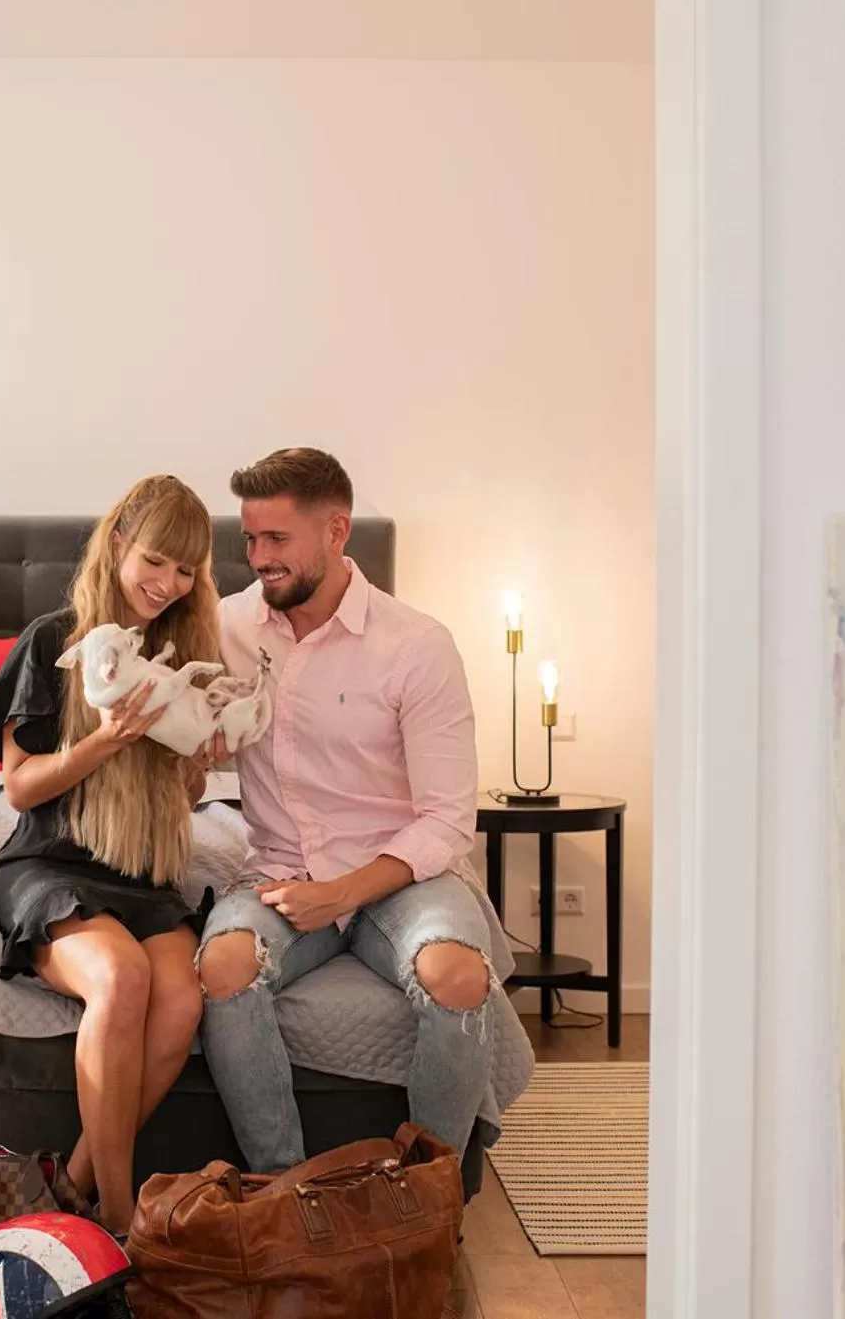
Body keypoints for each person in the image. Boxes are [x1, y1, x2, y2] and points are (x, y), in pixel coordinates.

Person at [196, 447, 494, 1173]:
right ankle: (284, 1191)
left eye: (276, 540)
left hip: (402, 875)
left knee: (458, 975)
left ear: (336, 530)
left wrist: (341, 892)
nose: (258, 558)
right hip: (279, 865)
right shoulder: (225, 628)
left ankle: (427, 1197)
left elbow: (448, 818)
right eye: (248, 539)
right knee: (225, 965)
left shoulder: (416, 646)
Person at [0, 474, 225, 1235]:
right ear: (118, 543)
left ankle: (72, 1186)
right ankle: (120, 1221)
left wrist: (193, 757)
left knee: (181, 999)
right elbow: (19, 787)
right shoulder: (54, 640)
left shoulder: (180, 654)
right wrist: (103, 740)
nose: (167, 583)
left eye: (186, 571)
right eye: (155, 560)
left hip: (138, 874)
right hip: (50, 864)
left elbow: (179, 798)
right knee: (121, 977)